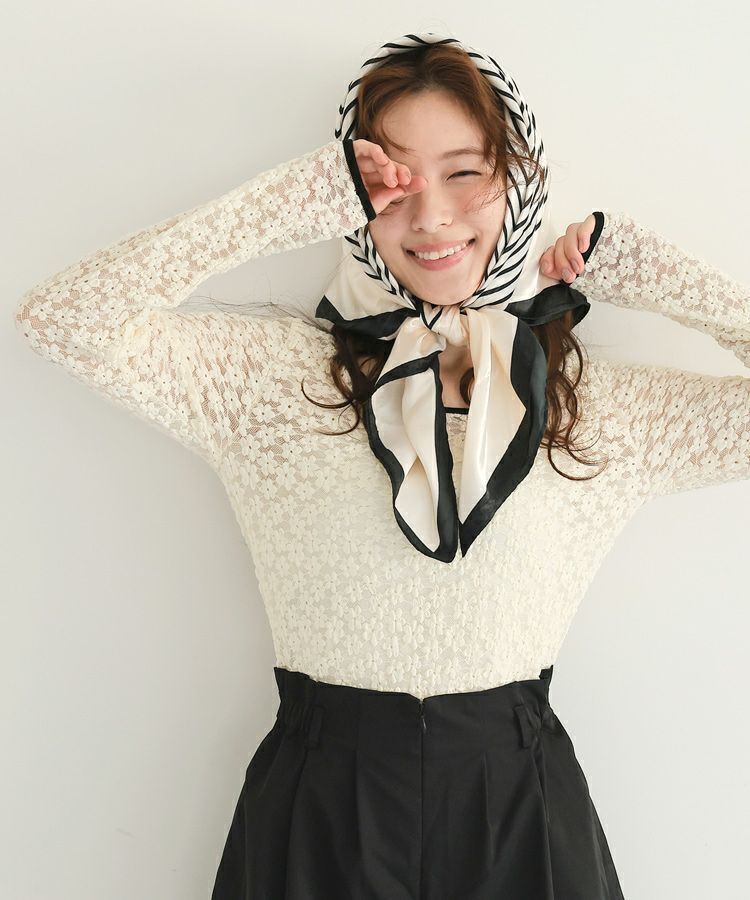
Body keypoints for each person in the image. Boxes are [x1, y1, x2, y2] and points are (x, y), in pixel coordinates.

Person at [13, 30, 748, 900]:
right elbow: (66, 320)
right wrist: (297, 199)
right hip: (320, 805)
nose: (431, 216)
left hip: (522, 811)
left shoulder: (594, 409)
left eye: (466, 172)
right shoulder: (268, 381)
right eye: (392, 182)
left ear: (521, 182)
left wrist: (648, 272)